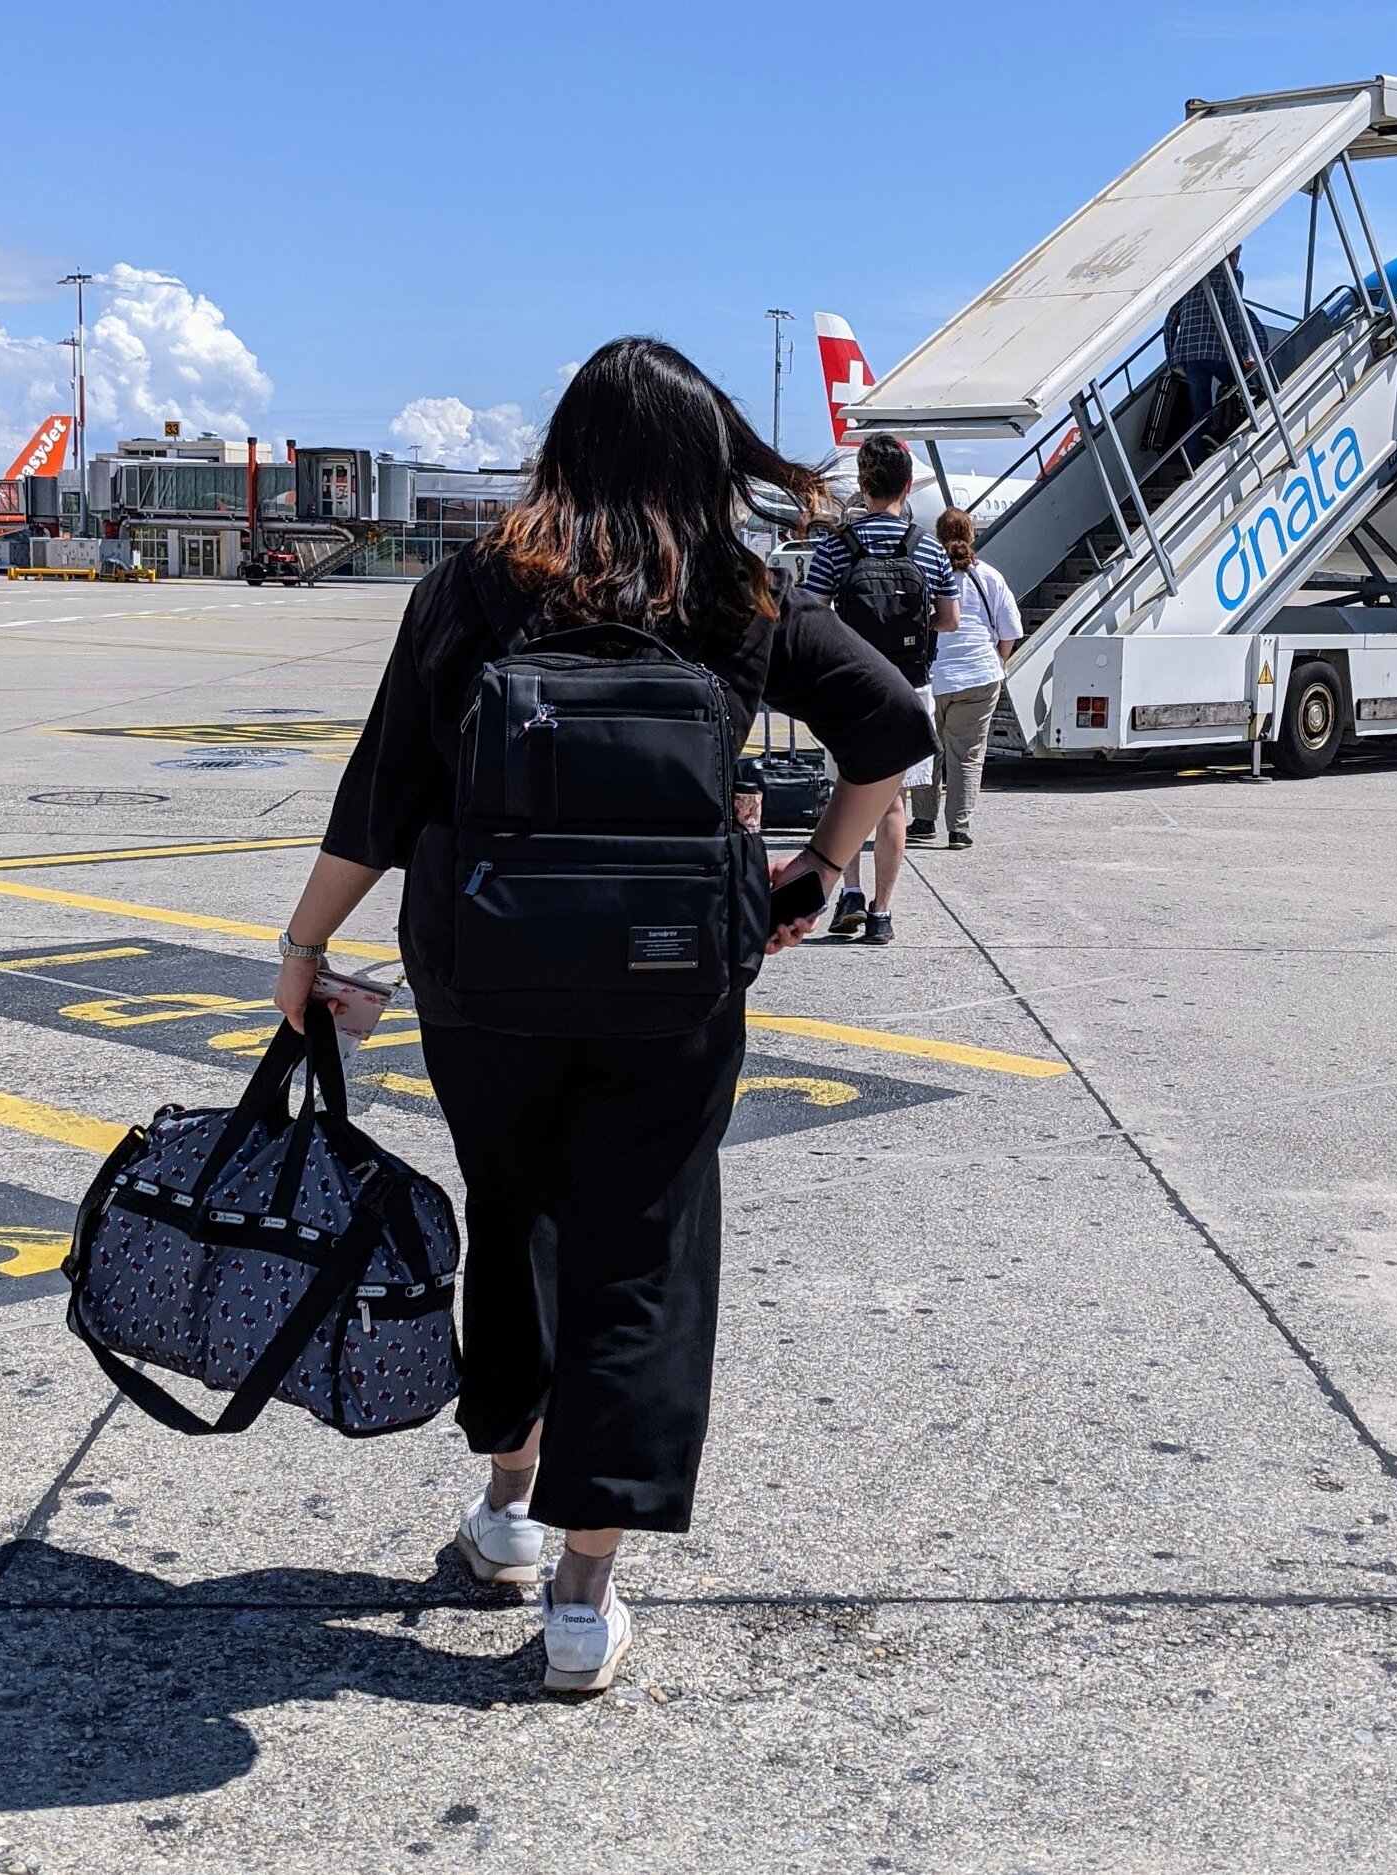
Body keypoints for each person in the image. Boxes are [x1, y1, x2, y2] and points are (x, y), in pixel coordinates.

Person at [272, 338, 934, 1694]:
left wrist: (305, 941)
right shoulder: (737, 594)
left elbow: (383, 789)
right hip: (670, 981)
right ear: (709, 460)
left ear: (562, 445)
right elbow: (886, 722)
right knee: (644, 1249)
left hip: (483, 979)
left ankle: (510, 1500)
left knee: (513, 1214)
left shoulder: (475, 584)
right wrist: (811, 868)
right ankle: (584, 1588)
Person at [800, 432, 958, 943]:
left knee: (846, 790)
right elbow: (950, 621)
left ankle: (848, 891)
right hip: (910, 686)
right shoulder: (929, 549)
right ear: (908, 486)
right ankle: (882, 912)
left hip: (849, 686)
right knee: (894, 803)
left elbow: (811, 615)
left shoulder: (835, 547)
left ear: (862, 485)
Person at [912, 508, 1020, 848]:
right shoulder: (990, 577)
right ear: (971, 535)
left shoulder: (924, 573)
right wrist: (997, 664)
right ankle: (959, 829)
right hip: (978, 675)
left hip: (932, 675)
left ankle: (923, 820)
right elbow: (1010, 631)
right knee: (968, 753)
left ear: (938, 536)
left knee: (928, 750)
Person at [1163, 253, 1251, 463]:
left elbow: (1168, 324)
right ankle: (1227, 435)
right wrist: (1245, 351)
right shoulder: (1231, 275)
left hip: (1189, 357)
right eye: (1237, 255)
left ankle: (1196, 463)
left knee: (1199, 415)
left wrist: (1172, 361)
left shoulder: (1191, 280)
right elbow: (1233, 314)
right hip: (1217, 352)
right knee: (1246, 389)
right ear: (1231, 256)